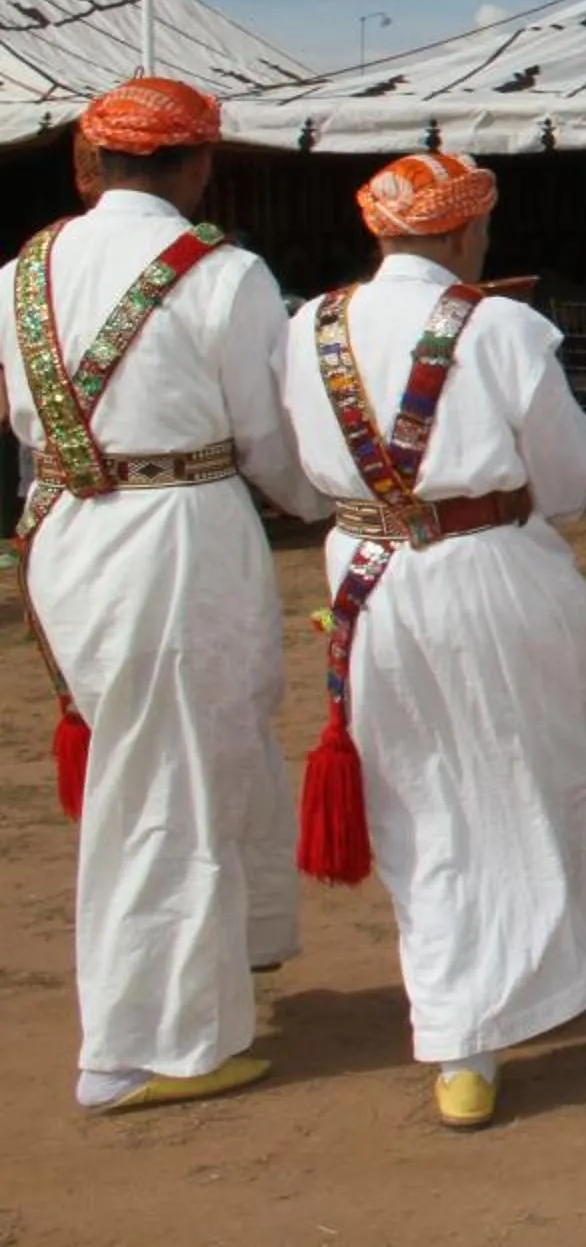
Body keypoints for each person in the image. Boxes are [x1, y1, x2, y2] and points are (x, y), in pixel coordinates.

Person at [281, 153, 586, 1129]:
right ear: (470, 232)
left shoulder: (309, 325)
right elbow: (565, 478)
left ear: (377, 231)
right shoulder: (500, 323)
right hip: (494, 564)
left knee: (424, 803)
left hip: (362, 587)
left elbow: (301, 474)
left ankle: (466, 1046)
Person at [1, 78, 327, 1113]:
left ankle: (235, 946)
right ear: (198, 163)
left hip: (67, 527)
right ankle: (147, 1044)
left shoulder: (19, 272)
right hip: (178, 527)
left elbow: (22, 412)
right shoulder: (223, 272)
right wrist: (328, 502)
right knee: (163, 779)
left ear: (90, 164)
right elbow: (267, 431)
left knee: (187, 743)